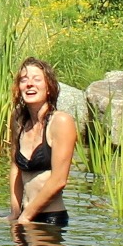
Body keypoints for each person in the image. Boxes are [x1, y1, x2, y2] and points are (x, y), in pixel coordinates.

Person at [10, 57, 77, 227]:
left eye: (37, 79)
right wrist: (15, 212)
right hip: (24, 216)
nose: (29, 84)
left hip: (49, 220)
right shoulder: (18, 120)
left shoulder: (61, 122)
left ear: (49, 88)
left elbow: (59, 180)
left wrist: (26, 217)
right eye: (24, 80)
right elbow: (15, 168)